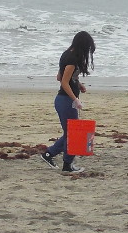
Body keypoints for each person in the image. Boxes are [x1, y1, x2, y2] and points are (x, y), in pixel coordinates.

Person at [40, 31, 95, 173]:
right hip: (65, 100)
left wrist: (79, 84)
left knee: (69, 133)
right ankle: (64, 163)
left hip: (63, 100)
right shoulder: (72, 59)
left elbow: (60, 76)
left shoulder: (66, 54)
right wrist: (75, 99)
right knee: (73, 134)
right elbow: (64, 82)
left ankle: (51, 155)